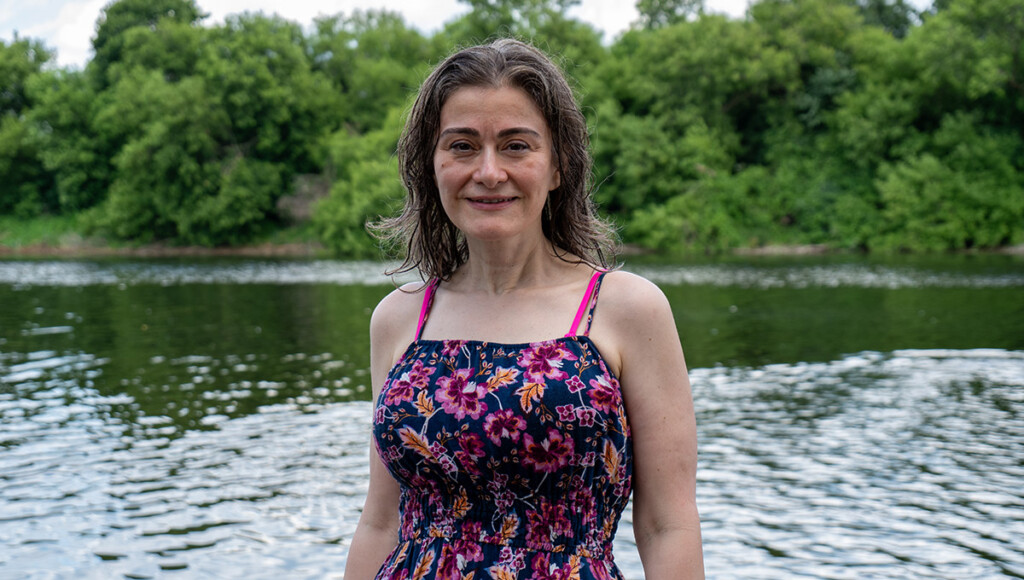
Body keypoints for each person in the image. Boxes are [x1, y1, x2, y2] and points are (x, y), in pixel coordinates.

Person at [345, 38, 703, 579]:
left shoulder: (625, 310)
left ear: (558, 166)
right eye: (462, 146)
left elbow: (667, 525)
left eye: (516, 145)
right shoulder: (398, 318)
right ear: (431, 165)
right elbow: (380, 522)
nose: (488, 172)